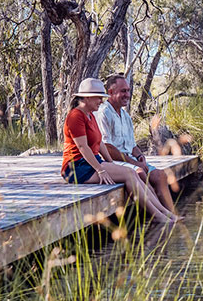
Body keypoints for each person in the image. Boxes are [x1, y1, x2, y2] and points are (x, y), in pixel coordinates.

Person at [61, 77, 178, 224]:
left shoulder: (90, 115)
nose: (101, 101)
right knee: (130, 174)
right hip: (77, 167)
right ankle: (158, 216)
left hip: (92, 163)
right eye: (98, 97)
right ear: (87, 97)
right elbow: (82, 147)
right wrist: (101, 170)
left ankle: (165, 212)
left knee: (132, 174)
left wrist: (111, 164)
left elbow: (101, 145)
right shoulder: (75, 116)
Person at [95, 73, 177, 215]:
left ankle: (172, 213)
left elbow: (132, 145)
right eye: (123, 91)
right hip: (113, 161)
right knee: (140, 173)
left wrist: (139, 156)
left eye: (128, 90)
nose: (127, 94)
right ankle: (159, 215)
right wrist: (134, 163)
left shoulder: (125, 116)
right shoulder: (103, 113)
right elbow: (107, 148)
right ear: (111, 92)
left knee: (160, 175)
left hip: (130, 160)